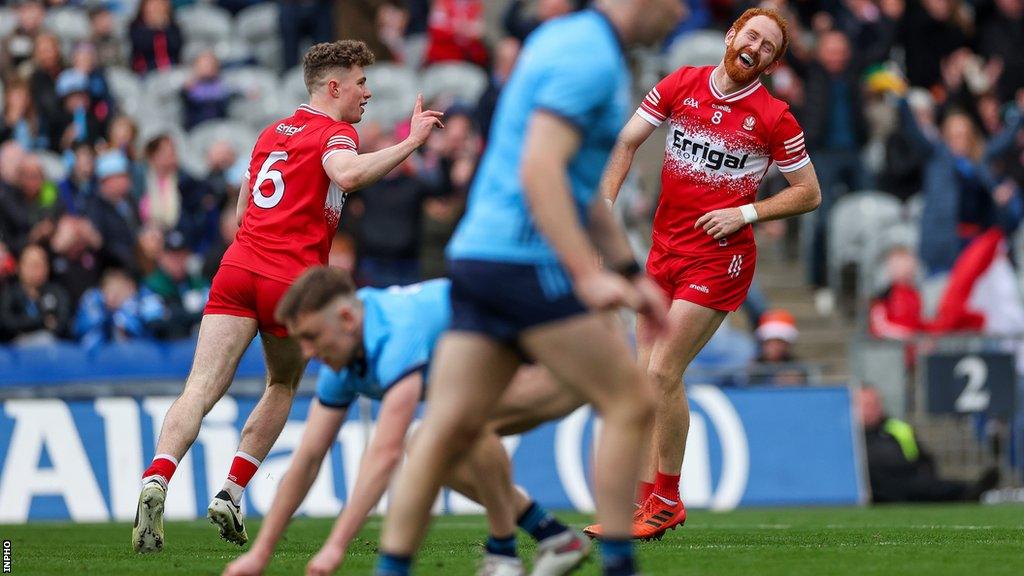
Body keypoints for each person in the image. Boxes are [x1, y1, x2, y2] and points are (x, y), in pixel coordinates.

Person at [374, 2, 682, 576]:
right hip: (522, 260)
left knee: (443, 431)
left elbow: (579, 183)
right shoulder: (590, 56)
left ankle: (391, 569)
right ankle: (619, 565)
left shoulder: (565, 39)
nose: (681, 14)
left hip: (477, 255)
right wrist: (587, 275)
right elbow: (540, 170)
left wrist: (628, 272)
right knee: (630, 399)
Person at [130, 40, 444, 554]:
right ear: (333, 86)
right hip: (290, 280)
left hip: (237, 266)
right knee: (283, 382)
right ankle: (231, 492)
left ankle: (157, 478)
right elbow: (347, 174)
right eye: (361, 82)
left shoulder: (271, 132)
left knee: (200, 387)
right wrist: (410, 143)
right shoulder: (336, 133)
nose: (367, 93)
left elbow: (239, 210)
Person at [593, 7, 821, 540]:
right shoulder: (681, 83)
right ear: (731, 36)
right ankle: (646, 505)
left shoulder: (774, 117)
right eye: (753, 37)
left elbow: (809, 192)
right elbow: (626, 143)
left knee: (660, 373)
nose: (758, 49)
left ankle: (667, 498)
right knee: (644, 382)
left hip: (721, 260)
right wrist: (605, 210)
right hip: (663, 252)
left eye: (770, 48)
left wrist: (746, 213)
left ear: (770, 65)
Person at [222, 267, 589, 576]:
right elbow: (307, 460)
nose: (307, 353)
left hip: (560, 359)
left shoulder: (394, 333)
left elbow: (383, 456)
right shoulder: (343, 353)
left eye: (311, 337)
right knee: (430, 439)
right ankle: (551, 534)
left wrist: (336, 546)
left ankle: (504, 553)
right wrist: (259, 554)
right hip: (516, 362)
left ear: (347, 319)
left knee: (452, 427)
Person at [857, 386, 999, 502]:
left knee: (927, 485)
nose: (871, 410)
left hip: (905, 476)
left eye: (874, 404)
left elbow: (922, 456)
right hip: (874, 483)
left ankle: (971, 490)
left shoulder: (898, 428)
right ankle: (968, 492)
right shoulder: (848, 435)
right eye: (866, 406)